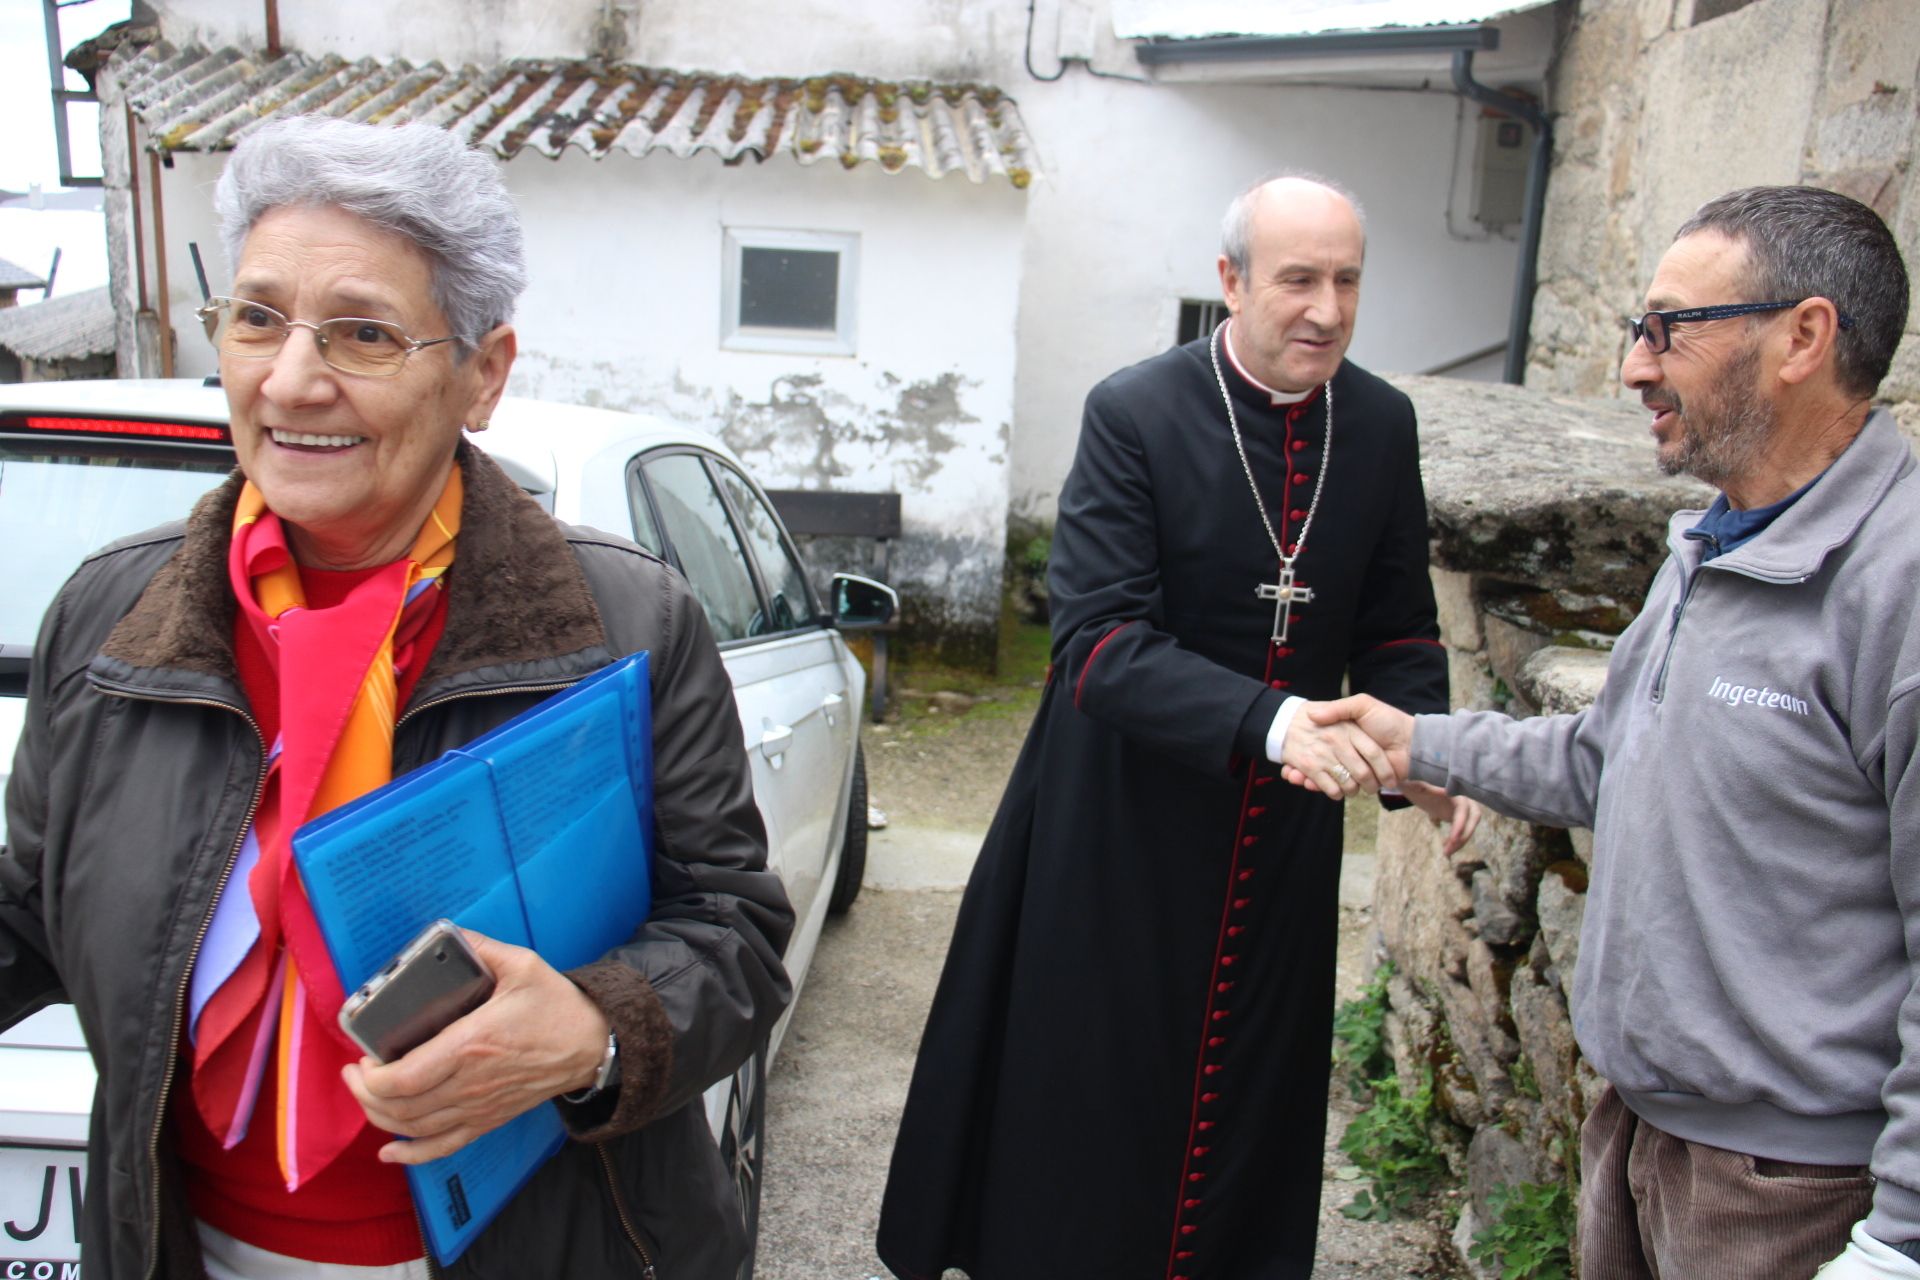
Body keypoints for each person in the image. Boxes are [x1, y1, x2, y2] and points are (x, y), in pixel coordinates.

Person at [0, 116, 792, 1280]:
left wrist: (592, 1028)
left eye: (364, 332)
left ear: (484, 373)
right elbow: (32, 908)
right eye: (257, 317)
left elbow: (735, 933)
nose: (291, 379)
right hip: (183, 1244)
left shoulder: (624, 622)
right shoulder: (108, 614)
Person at [1294, 185, 1919, 1280]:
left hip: (1790, 1193)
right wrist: (1418, 742)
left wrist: (1896, 1242)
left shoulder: (1897, 587)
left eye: (1671, 327)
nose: (1635, 365)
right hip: (1635, 1135)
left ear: (1803, 338)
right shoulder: (1714, 545)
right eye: (1640, 327)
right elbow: (1606, 754)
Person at [875, 174, 1478, 1280]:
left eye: (1348, 282)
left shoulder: (1380, 423)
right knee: (1094, 1104)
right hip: (1118, 829)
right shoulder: (1137, 411)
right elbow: (1098, 642)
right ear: (1231, 281)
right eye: (1299, 280)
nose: (1328, 311)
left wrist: (1422, 750)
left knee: (1248, 1100)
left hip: (1278, 844)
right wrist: (1276, 721)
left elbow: (1396, 626)